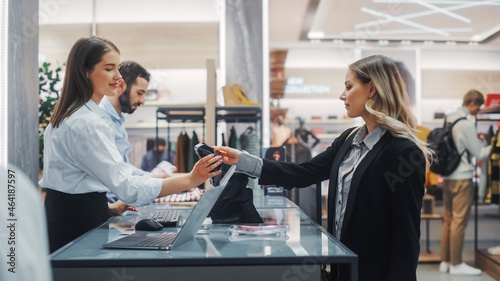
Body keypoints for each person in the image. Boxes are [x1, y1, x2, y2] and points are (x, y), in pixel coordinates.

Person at [216, 55, 431, 281]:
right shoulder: (348, 140)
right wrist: (243, 159)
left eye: (349, 87)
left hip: (373, 272)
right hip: (343, 268)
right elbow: (304, 173)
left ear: (372, 89)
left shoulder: (402, 152)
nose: (342, 95)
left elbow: (405, 238)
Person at [39, 35, 222, 253]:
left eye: (117, 68)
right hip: (77, 226)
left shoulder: (69, 115)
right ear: (85, 71)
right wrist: (191, 179)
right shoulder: (87, 124)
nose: (117, 76)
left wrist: (111, 208)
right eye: (109, 68)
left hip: (64, 218)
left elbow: (72, 179)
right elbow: (127, 188)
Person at [439, 90, 490, 276]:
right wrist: (491, 145)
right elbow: (480, 154)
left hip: (448, 177)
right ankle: (457, 264)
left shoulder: (449, 118)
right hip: (462, 178)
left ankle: (445, 261)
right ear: (472, 103)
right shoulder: (466, 124)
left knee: (448, 221)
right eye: (479, 106)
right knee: (459, 222)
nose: (479, 110)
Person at [99, 60, 153, 176]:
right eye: (139, 93)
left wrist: (152, 177)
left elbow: (123, 167)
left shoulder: (118, 123)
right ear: (121, 85)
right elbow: (113, 173)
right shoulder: (100, 120)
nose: (142, 101)